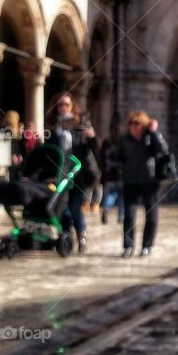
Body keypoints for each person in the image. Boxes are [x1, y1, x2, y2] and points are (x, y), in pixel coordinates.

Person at [50, 92, 99, 253]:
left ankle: (81, 238)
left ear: (72, 106)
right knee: (62, 208)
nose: (63, 108)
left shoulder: (81, 122)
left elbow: (95, 146)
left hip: (78, 173)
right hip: (59, 173)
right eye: (60, 105)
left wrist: (91, 137)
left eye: (66, 104)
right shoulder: (52, 126)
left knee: (75, 207)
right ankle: (66, 239)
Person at [116, 110, 167, 257]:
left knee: (151, 215)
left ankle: (147, 246)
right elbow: (119, 157)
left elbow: (163, 150)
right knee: (129, 215)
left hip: (149, 181)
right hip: (130, 181)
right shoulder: (125, 140)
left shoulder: (150, 137)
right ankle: (128, 246)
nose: (133, 126)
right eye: (131, 123)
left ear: (143, 125)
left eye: (137, 123)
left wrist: (154, 132)